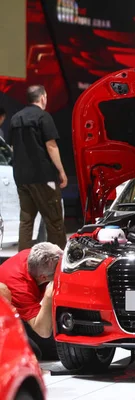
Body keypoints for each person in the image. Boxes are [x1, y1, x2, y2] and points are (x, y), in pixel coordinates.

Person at [6, 85, 67, 251]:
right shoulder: (43, 117)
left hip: (22, 178)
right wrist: (61, 171)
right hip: (44, 177)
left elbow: (11, 146)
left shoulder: (15, 118)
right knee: (54, 220)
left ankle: (23, 260)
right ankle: (57, 260)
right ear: (42, 97)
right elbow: (51, 146)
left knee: (26, 221)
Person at [0, 242, 62, 359]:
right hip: (8, 317)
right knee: (57, 348)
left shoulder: (35, 256)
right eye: (58, 272)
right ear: (43, 277)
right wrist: (49, 296)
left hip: (15, 307)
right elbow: (42, 332)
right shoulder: (21, 288)